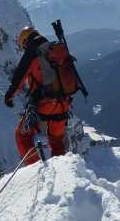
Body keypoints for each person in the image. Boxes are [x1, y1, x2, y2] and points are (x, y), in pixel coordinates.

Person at [4, 27, 71, 165]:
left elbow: (18, 79)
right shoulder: (56, 51)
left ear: (26, 41)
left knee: (22, 135)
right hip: (63, 104)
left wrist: (9, 97)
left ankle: (34, 168)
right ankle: (61, 171)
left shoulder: (32, 54)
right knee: (57, 140)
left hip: (45, 105)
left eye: (23, 45)